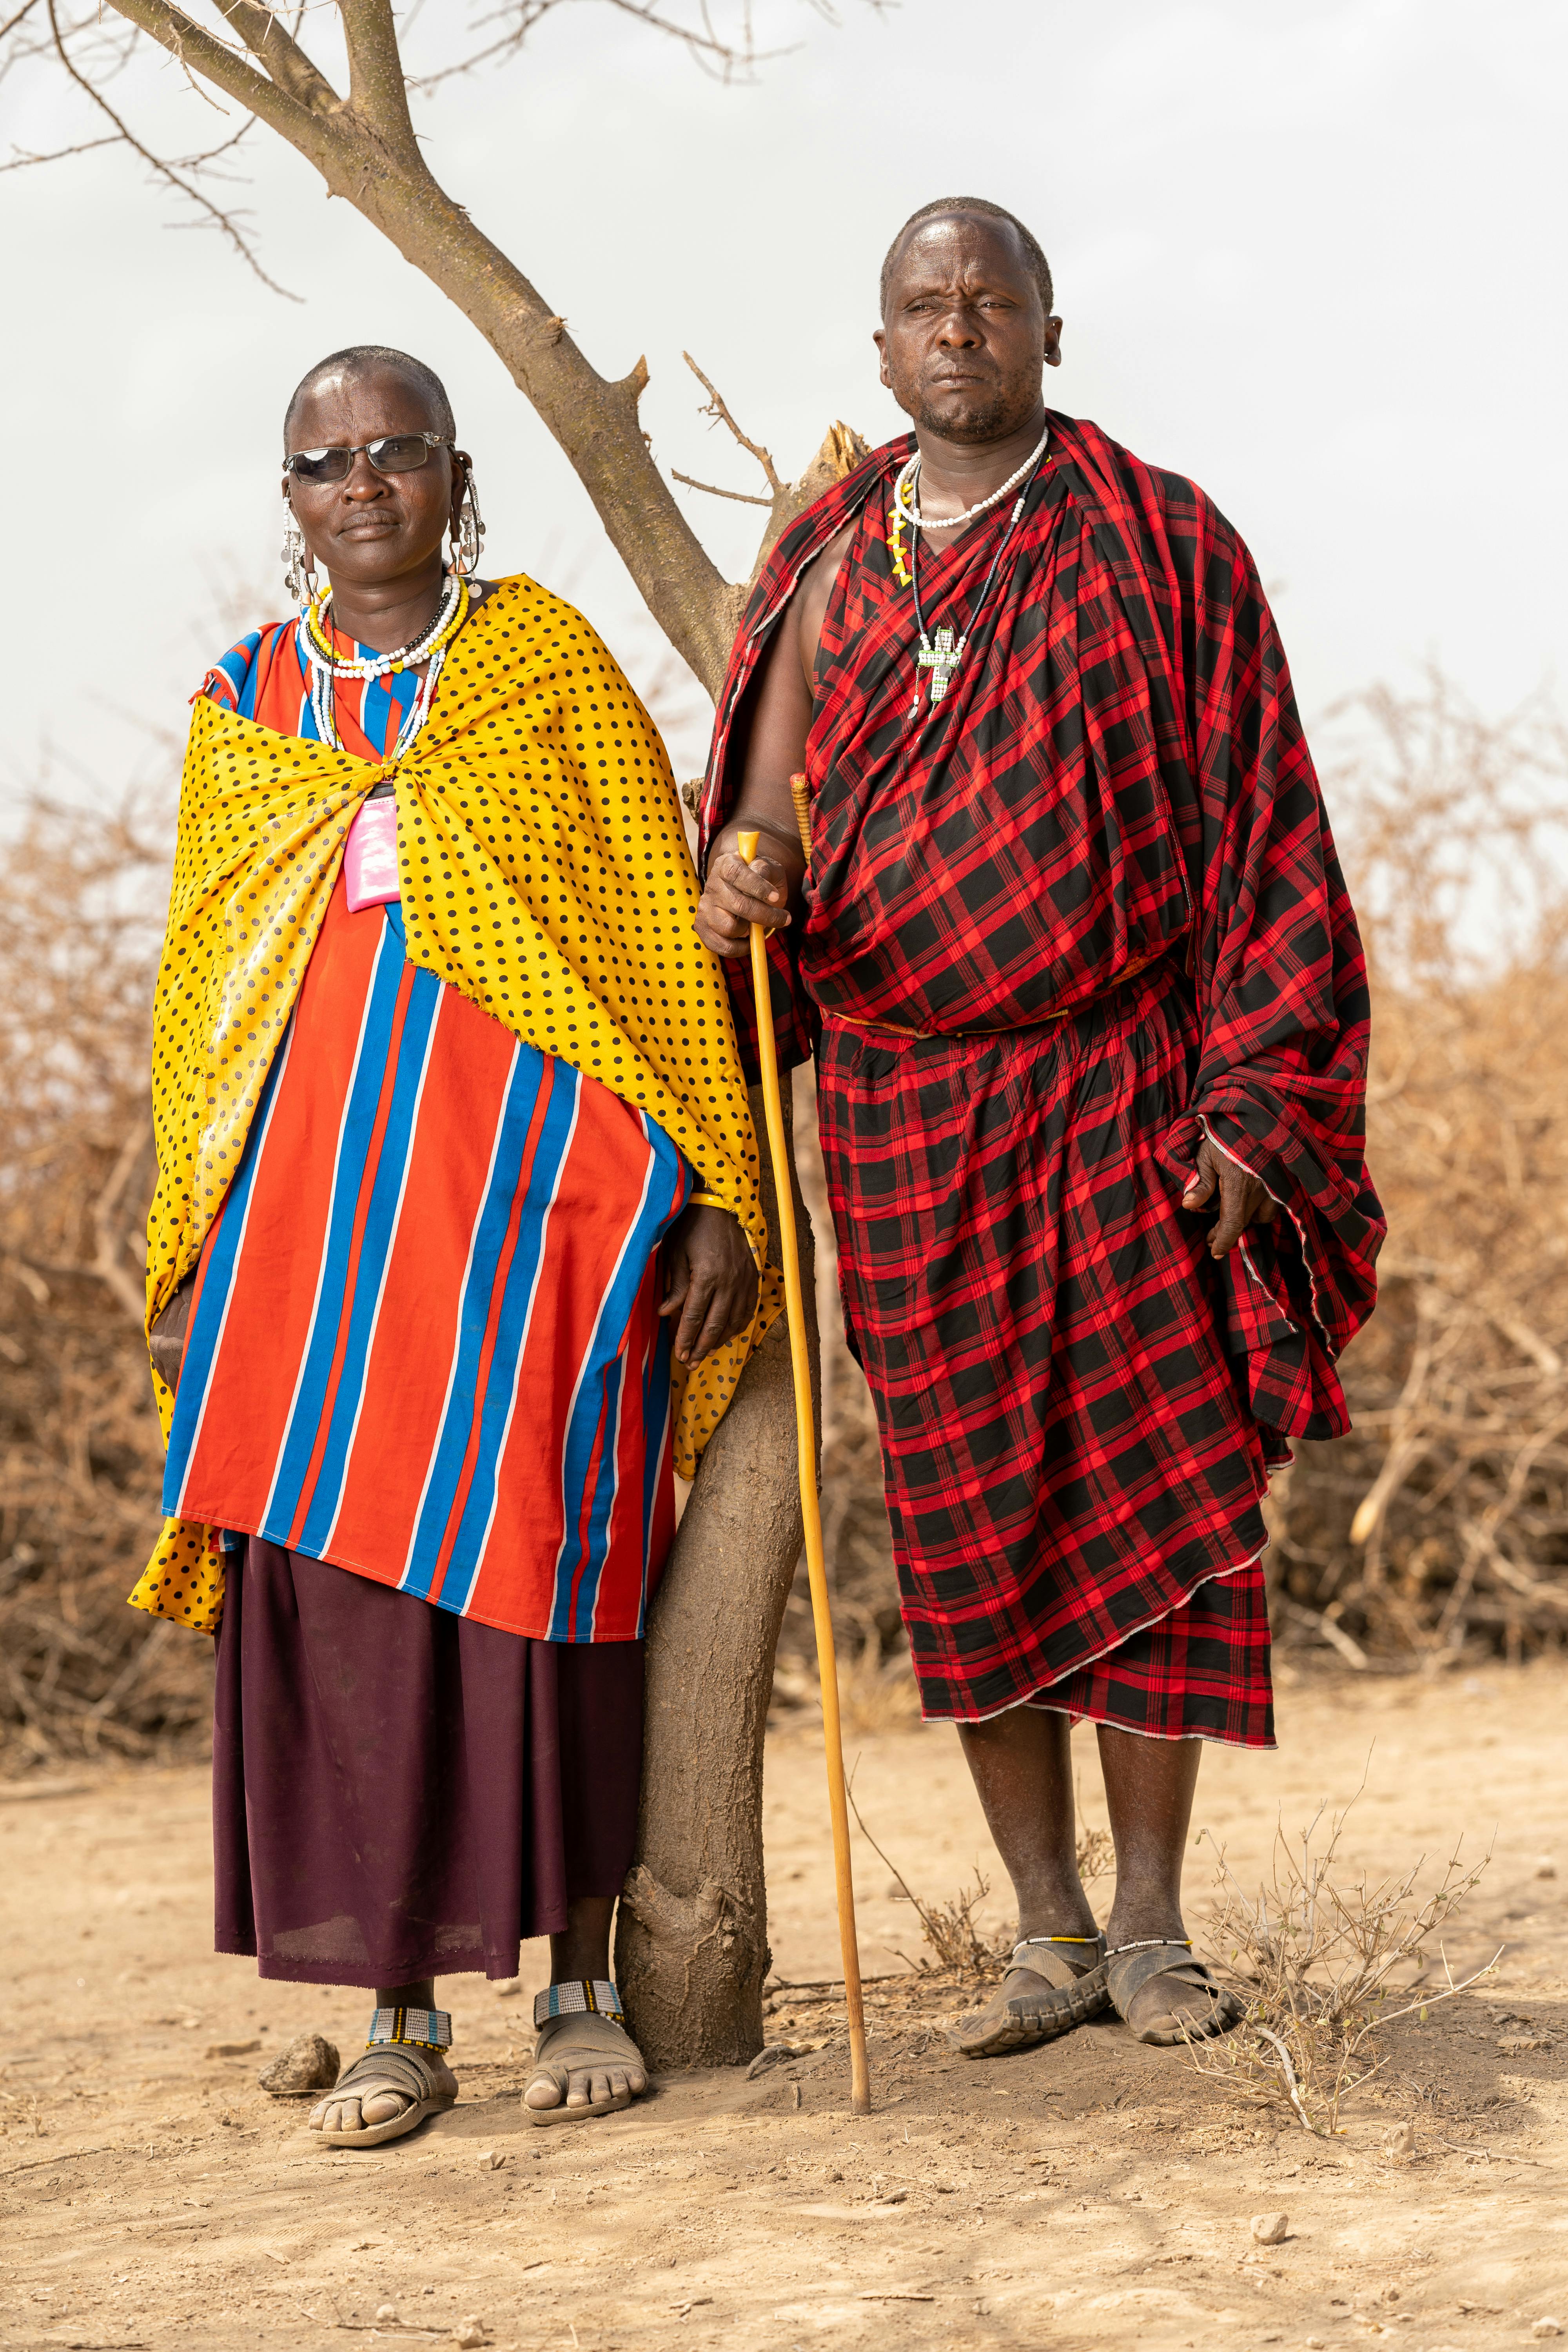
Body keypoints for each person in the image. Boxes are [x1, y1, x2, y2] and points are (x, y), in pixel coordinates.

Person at [695, 201, 1383, 2053]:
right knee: (970, 1510)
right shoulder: (825, 563)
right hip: (909, 1106)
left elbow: (1273, 836)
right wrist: (749, 873)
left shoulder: (1164, 541)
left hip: (1130, 1081)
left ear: (1050, 336)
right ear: (882, 352)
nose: (958, 330)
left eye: (991, 303)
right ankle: (1047, 1934)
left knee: (1158, 1496)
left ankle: (1156, 1930)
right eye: (924, 306)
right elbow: (753, 819)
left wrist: (1252, 1100)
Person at [133, 344, 772, 2141]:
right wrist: (194, 1245)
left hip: (543, 1213)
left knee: (545, 1576)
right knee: (346, 1602)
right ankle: (399, 2014)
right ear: (292, 501)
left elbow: (655, 933)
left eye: (393, 449)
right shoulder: (243, 708)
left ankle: (575, 1986)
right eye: (325, 460)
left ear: (453, 472)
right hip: (316, 1230)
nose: (361, 482)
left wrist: (714, 1184)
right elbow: (203, 1002)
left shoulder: (543, 664)